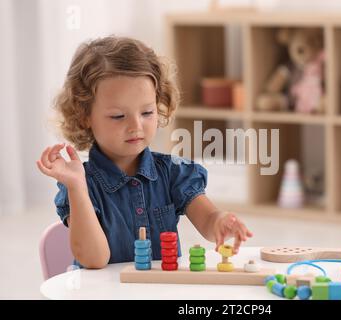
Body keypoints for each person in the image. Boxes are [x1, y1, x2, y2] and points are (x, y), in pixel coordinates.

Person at [36, 36, 253, 269]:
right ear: (84, 116)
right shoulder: (80, 184)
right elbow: (93, 260)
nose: (136, 126)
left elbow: (208, 221)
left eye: (147, 112)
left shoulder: (174, 172)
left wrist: (220, 221)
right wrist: (77, 186)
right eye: (118, 116)